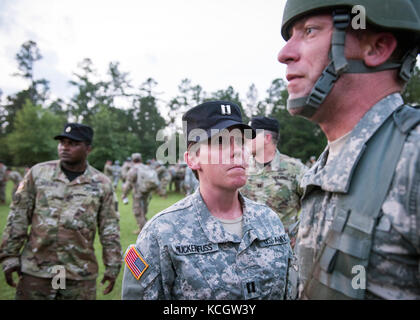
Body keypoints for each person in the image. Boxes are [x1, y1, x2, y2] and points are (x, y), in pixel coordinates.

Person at [278, 0, 420, 299]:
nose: (284, 53)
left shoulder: (412, 156)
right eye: (290, 35)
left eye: (310, 31)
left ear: (376, 48)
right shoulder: (323, 168)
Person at [121, 100, 297, 300]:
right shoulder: (161, 234)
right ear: (193, 159)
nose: (237, 150)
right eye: (221, 141)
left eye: (240, 141)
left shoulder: (270, 221)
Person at [0, 123, 122, 300]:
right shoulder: (38, 174)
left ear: (88, 148)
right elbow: (18, 216)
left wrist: (112, 265)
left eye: (73, 143)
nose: (65, 147)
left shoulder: (101, 183)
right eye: (62, 142)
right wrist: (9, 255)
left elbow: (109, 228)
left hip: (78, 273)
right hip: (37, 271)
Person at [240, 116, 307, 246]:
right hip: (246, 251)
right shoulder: (242, 167)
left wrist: (300, 232)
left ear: (267, 138)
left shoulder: (295, 169)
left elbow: (317, 203)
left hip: (282, 253)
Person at [121, 153, 160, 234]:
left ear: (132, 160)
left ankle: (144, 232)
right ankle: (144, 228)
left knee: (138, 212)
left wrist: (124, 194)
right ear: (141, 159)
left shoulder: (133, 169)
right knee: (144, 210)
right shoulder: (146, 167)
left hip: (138, 194)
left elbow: (128, 184)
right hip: (147, 192)